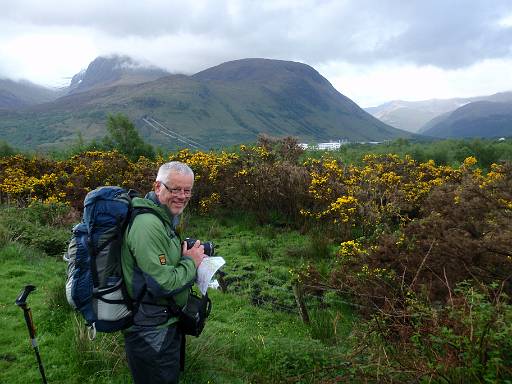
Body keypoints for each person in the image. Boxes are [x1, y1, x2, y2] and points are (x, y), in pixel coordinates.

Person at [121, 161, 206, 384]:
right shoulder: (147, 225)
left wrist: (186, 255)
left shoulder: (163, 217)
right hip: (150, 332)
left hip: (164, 323)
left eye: (187, 190)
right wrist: (191, 262)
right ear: (158, 187)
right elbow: (162, 284)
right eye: (175, 189)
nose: (182, 196)